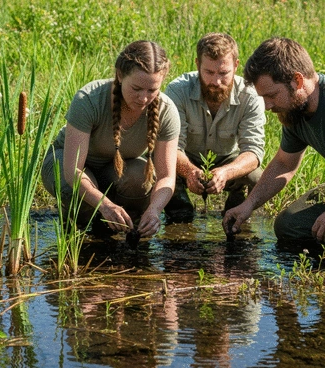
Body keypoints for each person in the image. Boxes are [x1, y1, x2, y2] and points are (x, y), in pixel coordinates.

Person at [41, 40, 180, 238]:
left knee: (141, 179)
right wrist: (104, 204)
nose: (143, 98)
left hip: (115, 170)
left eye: (152, 90)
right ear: (120, 75)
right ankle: (76, 226)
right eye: (137, 88)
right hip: (67, 165)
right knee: (76, 195)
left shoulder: (166, 111)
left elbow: (167, 176)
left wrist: (154, 210)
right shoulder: (88, 99)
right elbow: (73, 171)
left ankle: (122, 225)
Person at [223, 37, 325, 243]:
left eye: (272, 95)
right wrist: (248, 204)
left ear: (297, 81)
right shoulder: (294, 113)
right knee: (289, 227)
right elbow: (284, 163)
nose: (267, 106)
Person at [164, 32, 266, 222]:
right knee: (158, 166)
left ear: (236, 66)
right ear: (197, 65)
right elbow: (172, 147)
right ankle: (179, 214)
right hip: (187, 158)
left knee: (257, 178)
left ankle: (237, 213)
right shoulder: (177, 91)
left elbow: (253, 152)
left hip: (229, 159)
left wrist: (226, 172)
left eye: (223, 73)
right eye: (209, 73)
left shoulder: (250, 95)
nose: (216, 82)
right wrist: (189, 172)